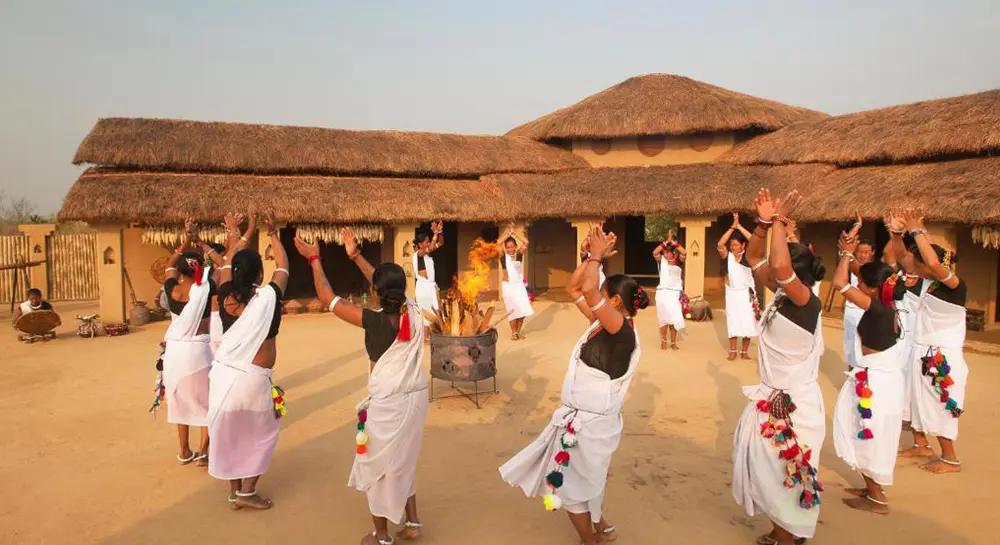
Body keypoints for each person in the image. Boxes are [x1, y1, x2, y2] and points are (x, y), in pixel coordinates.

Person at [501, 226, 648, 545]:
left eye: (605, 295)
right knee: (585, 482)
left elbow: (590, 291)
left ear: (615, 301)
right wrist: (588, 258)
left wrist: (596, 257)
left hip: (590, 425)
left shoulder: (620, 330)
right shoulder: (601, 324)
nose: (598, 298)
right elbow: (575, 288)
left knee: (570, 492)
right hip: (580, 419)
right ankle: (601, 528)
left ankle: (591, 540)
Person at [295, 227, 428, 545]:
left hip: (390, 402)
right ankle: (412, 520)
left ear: (377, 292)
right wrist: (354, 256)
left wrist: (314, 259)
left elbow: (328, 299)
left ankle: (381, 535)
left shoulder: (376, 321)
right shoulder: (412, 309)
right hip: (416, 398)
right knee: (403, 458)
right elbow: (382, 283)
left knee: (378, 466)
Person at [732, 189, 826, 545]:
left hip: (794, 406)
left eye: (778, 268)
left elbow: (779, 265)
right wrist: (762, 223)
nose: (770, 271)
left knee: (785, 470)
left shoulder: (805, 302)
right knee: (771, 471)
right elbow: (754, 257)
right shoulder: (783, 294)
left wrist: (780, 225)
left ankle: (788, 536)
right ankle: (782, 529)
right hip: (772, 398)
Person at [207, 211, 289, 510]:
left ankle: (234, 490)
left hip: (224, 377)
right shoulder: (269, 297)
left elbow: (226, 263)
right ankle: (247, 491)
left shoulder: (225, 294)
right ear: (259, 275)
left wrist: (236, 232)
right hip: (253, 380)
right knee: (263, 434)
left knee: (231, 433)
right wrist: (273, 233)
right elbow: (284, 265)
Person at [831, 233, 907, 515]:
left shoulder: (877, 308)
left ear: (873, 289)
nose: (858, 285)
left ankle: (877, 497)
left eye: (862, 283)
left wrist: (845, 254)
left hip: (875, 382)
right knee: (873, 432)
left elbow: (839, 283)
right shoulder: (892, 305)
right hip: (885, 380)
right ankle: (871, 487)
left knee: (866, 433)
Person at [890, 212, 967, 474]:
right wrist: (896, 234)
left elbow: (933, 263)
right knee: (917, 401)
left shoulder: (955, 286)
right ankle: (921, 445)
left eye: (918, 263)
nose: (912, 267)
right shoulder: (928, 283)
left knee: (941, 404)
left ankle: (950, 458)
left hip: (942, 358)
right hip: (922, 351)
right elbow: (903, 258)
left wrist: (917, 231)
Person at [161, 218, 221, 466]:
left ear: (180, 272)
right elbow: (223, 264)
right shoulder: (205, 290)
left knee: (180, 402)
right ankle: (204, 452)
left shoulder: (171, 289)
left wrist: (186, 241)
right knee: (205, 402)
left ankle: (184, 451)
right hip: (198, 353)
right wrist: (201, 243)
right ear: (201, 269)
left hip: (174, 354)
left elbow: (169, 265)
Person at [717, 213, 757, 360]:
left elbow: (754, 240)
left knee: (747, 322)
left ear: (743, 245)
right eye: (731, 245)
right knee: (733, 321)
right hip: (733, 294)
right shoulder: (728, 256)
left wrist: (739, 226)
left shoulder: (749, 256)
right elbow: (720, 244)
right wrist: (732, 228)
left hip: (747, 294)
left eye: (735, 245)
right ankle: (733, 350)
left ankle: (744, 352)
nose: (732, 247)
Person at [653, 230, 686, 350]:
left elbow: (684, 252)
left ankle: (673, 342)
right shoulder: (661, 261)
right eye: (664, 252)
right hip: (662, 293)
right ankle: (663, 341)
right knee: (663, 319)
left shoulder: (679, 262)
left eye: (667, 252)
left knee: (674, 318)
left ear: (674, 253)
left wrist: (674, 243)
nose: (665, 254)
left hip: (674, 294)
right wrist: (666, 242)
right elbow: (655, 252)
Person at [499, 227, 534, 340]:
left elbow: (526, 242)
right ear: (505, 248)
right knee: (512, 311)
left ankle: (518, 332)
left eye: (512, 247)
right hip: (508, 287)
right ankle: (513, 333)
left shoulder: (519, 255)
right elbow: (497, 243)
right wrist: (507, 233)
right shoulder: (503, 257)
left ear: (515, 246)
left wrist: (515, 232)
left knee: (523, 310)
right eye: (508, 247)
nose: (510, 249)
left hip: (519, 286)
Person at [412, 222, 445, 338]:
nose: (428, 243)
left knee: (436, 312)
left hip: (430, 288)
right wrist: (435, 233)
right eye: (426, 241)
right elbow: (431, 247)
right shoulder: (418, 254)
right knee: (425, 316)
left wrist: (440, 232)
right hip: (423, 289)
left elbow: (441, 243)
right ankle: (425, 339)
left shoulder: (426, 254)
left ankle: (434, 338)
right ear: (420, 244)